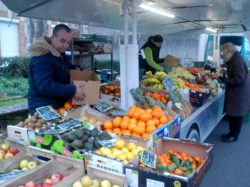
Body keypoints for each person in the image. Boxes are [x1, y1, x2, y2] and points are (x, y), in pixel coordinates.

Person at [28, 24, 85, 115]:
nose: (66, 46)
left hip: (59, 106)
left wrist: (76, 69)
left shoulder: (59, 53)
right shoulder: (41, 57)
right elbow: (45, 86)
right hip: (42, 109)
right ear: (53, 38)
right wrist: (73, 89)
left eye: (68, 42)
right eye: (62, 41)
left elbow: (64, 66)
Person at [219, 42, 250, 142]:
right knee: (233, 115)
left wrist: (225, 80)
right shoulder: (235, 59)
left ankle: (234, 136)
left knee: (236, 115)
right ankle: (231, 132)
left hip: (239, 93)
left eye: (224, 53)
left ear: (229, 51)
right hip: (237, 92)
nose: (224, 55)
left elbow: (239, 79)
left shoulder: (237, 61)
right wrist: (226, 72)